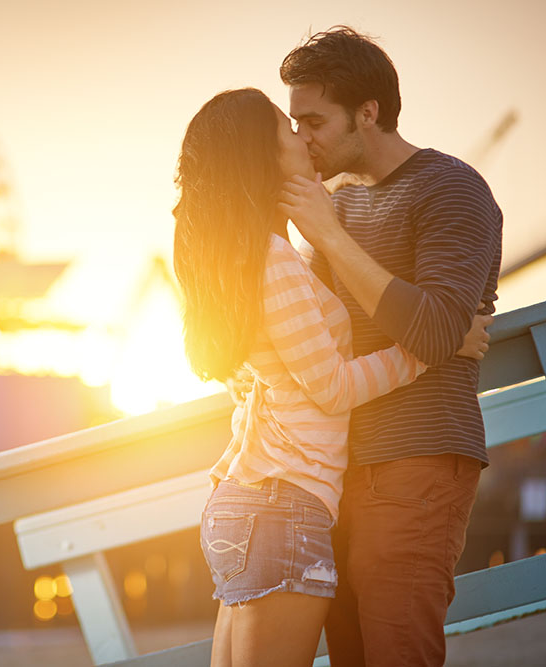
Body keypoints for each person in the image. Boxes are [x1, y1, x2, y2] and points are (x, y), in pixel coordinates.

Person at [174, 87, 430, 667]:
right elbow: (332, 387)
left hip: (249, 501)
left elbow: (269, 371)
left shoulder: (244, 257)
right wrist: (426, 350)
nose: (300, 135)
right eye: (286, 128)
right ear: (265, 158)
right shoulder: (273, 259)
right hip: (283, 504)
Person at [277, 27, 503, 667]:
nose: (302, 138)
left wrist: (325, 231)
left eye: (313, 120)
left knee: (398, 653)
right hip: (336, 472)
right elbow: (306, 337)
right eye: (295, 123)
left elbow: (433, 329)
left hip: (417, 463)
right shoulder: (337, 205)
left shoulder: (451, 189)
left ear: (368, 112)